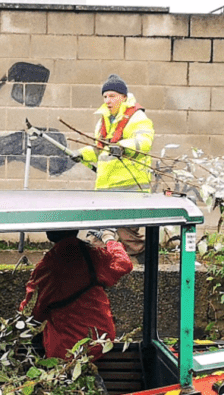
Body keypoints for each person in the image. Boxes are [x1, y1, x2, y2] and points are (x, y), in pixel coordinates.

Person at [75, 74, 154, 261]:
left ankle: (149, 267)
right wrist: (82, 154)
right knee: (98, 234)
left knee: (128, 235)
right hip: (106, 187)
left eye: (112, 96)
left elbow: (144, 142)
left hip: (129, 187)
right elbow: (100, 150)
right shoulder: (103, 120)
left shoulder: (137, 117)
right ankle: (102, 270)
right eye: (105, 96)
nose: (107, 101)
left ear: (123, 97)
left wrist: (123, 147)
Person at [20, 229, 133, 361]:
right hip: (101, 340)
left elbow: (31, 312)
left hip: (66, 347)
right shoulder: (93, 255)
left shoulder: (47, 267)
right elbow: (124, 263)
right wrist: (110, 240)